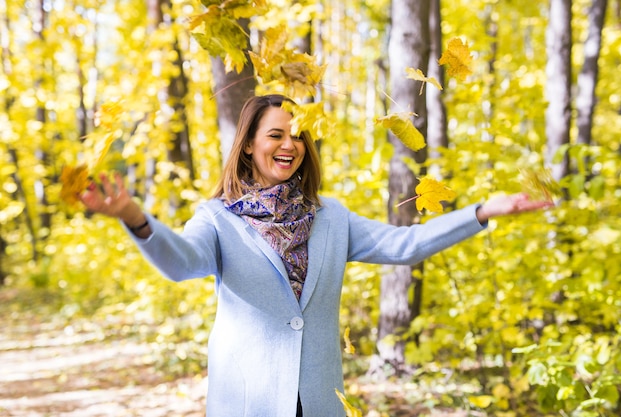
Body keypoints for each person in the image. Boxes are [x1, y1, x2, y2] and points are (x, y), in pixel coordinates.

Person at [79, 94, 554, 416]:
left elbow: (405, 245)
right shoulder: (217, 218)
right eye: (276, 135)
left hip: (318, 400)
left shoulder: (333, 218)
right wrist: (132, 215)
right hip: (250, 403)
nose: (291, 144)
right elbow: (181, 262)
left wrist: (481, 211)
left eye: (299, 135)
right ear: (247, 146)